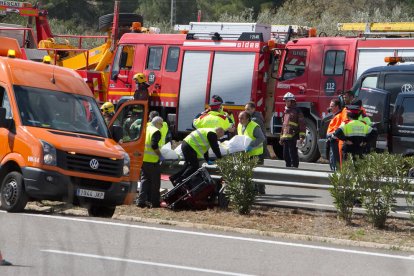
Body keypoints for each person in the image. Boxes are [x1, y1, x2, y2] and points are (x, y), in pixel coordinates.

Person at [137, 116, 164, 208]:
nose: (161, 126)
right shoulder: (156, 131)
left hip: (144, 159)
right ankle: (155, 203)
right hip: (153, 161)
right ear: (157, 123)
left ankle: (141, 201)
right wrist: (160, 156)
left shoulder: (147, 129)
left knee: (144, 181)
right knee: (155, 183)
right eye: (161, 124)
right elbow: (154, 145)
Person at [238, 111, 266, 194]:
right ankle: (251, 190)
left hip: (256, 154)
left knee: (258, 173)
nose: (239, 120)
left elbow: (261, 138)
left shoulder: (254, 126)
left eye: (242, 118)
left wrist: (251, 146)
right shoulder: (239, 125)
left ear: (247, 119)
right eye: (239, 118)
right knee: (247, 173)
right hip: (245, 154)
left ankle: (261, 190)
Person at [279, 92, 306, 168]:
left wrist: (301, 137)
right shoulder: (285, 112)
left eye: (288, 101)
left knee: (293, 155)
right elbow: (284, 126)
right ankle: (288, 169)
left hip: (294, 137)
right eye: (285, 101)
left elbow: (302, 125)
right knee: (285, 155)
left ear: (292, 101)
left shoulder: (297, 111)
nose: (286, 103)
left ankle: (294, 169)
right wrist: (281, 137)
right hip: (286, 138)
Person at [326, 99, 342, 171]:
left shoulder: (338, 116)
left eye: (332, 106)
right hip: (332, 140)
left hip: (335, 141)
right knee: (333, 160)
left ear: (337, 106)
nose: (330, 108)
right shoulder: (336, 116)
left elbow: (336, 130)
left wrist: (329, 135)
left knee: (334, 161)